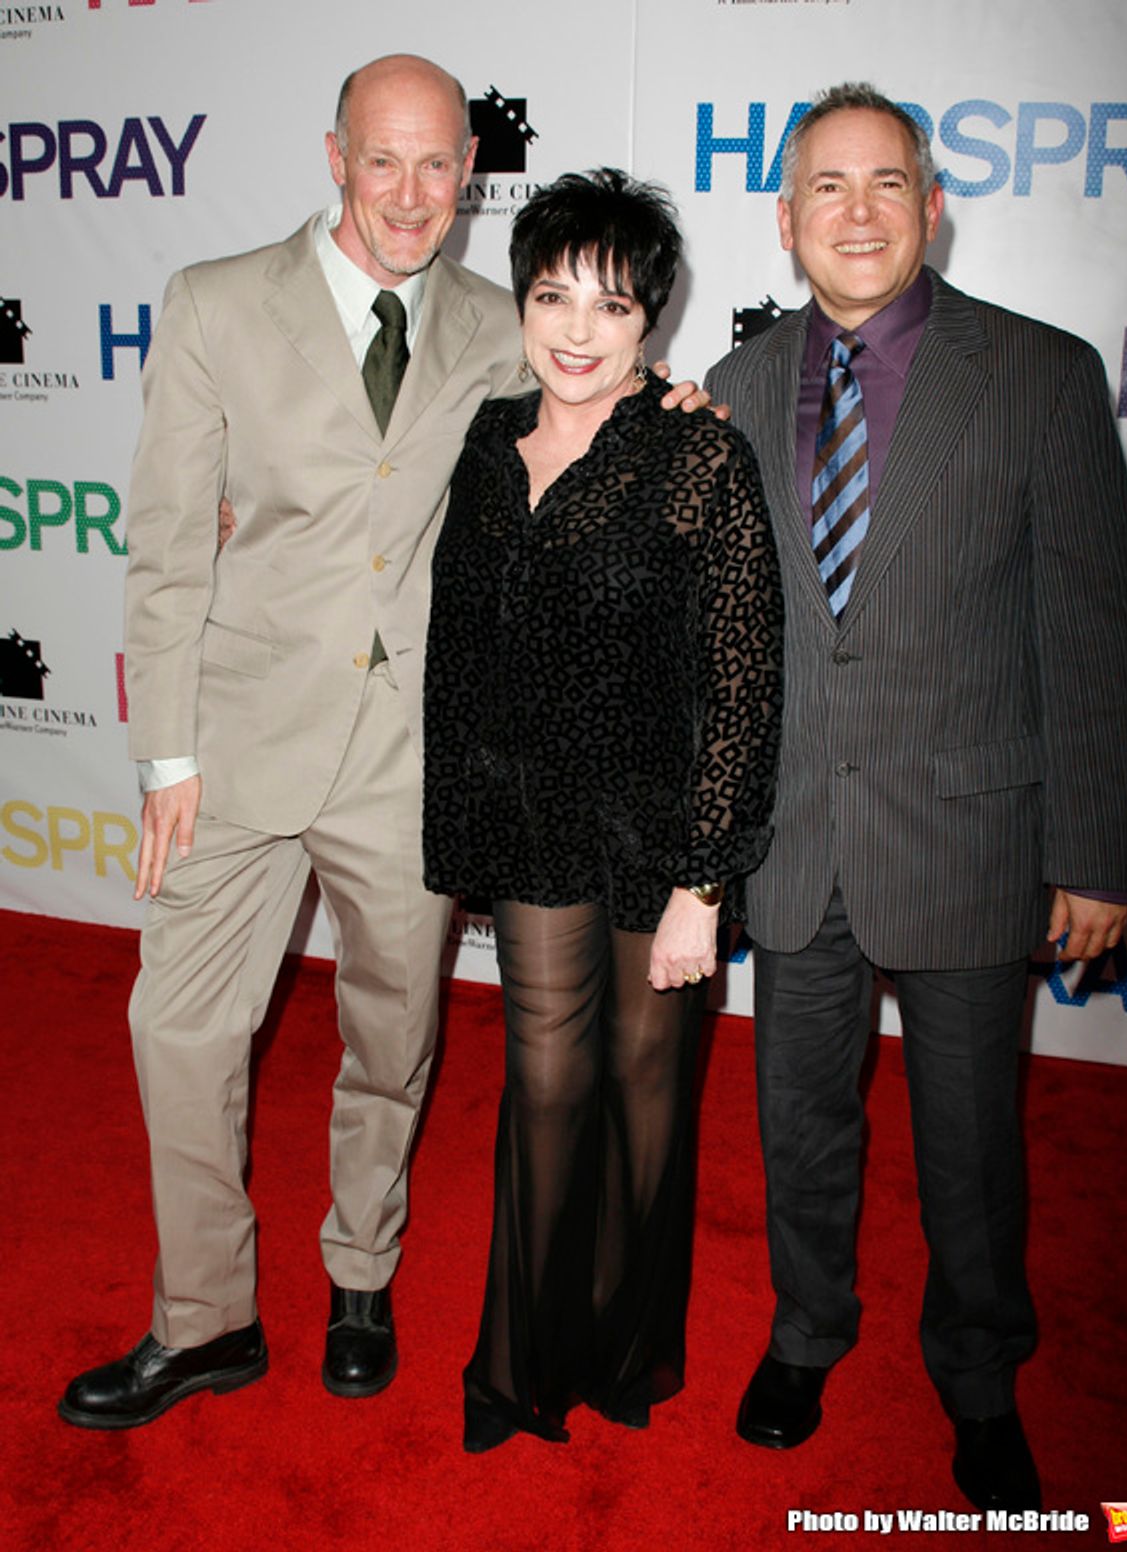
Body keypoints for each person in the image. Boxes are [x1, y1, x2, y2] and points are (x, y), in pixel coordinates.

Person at [59, 57, 707, 1432]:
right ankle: (206, 1319)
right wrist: (164, 759)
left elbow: (602, 401)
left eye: (437, 166)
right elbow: (168, 548)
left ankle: (361, 1272)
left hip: (416, 756)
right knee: (177, 1029)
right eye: (382, 161)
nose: (410, 196)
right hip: (234, 746)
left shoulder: (506, 322)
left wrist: (684, 406)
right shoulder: (216, 303)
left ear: (471, 167)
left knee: (391, 1036)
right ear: (335, 157)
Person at [705, 84, 1127, 1511]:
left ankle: (976, 1368)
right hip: (794, 838)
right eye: (825, 188)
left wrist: (1094, 850)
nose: (857, 212)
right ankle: (806, 1331)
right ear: (784, 221)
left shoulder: (1040, 372)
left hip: (969, 831)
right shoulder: (738, 387)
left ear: (931, 202)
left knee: (972, 1138)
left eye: (885, 182)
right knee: (800, 1122)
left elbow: (1086, 632)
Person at [423, 168, 784, 1451]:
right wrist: (458, 830)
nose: (578, 330)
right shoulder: (486, 439)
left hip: (657, 833)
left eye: (612, 306)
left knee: (644, 1089)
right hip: (533, 824)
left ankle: (627, 1345)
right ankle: (521, 1361)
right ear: (520, 303)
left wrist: (705, 879)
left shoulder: (699, 451)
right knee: (543, 1083)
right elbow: (458, 651)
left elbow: (743, 675)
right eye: (552, 296)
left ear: (652, 324)